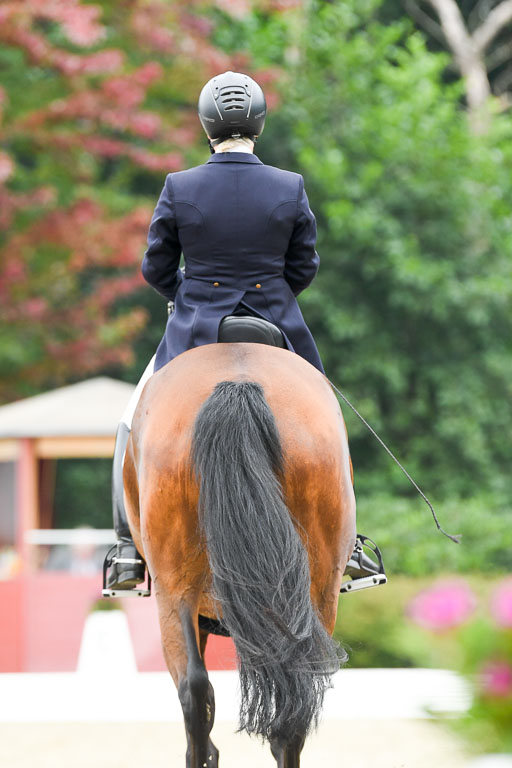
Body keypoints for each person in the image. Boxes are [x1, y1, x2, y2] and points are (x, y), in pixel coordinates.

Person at [104, 71, 385, 594]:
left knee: (131, 420)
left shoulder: (179, 186)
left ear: (206, 124)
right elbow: (304, 266)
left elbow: (155, 268)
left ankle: (126, 549)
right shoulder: (289, 186)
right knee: (324, 419)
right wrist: (271, 291)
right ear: (258, 121)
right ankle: (348, 549)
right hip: (275, 324)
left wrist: (185, 293)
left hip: (194, 327)